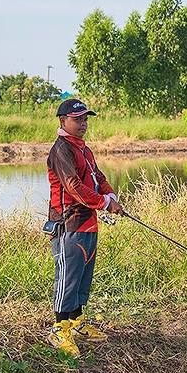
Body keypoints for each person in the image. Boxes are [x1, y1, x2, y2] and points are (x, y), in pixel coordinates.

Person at [46, 98, 123, 356]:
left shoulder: (84, 150)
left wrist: (110, 196)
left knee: (82, 278)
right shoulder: (61, 150)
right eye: (77, 119)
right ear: (62, 121)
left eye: (85, 119)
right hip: (68, 224)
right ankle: (59, 329)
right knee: (67, 278)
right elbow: (73, 186)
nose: (83, 124)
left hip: (88, 223)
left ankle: (77, 323)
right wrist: (103, 203)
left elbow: (97, 177)